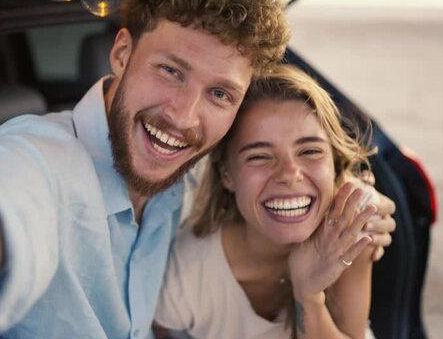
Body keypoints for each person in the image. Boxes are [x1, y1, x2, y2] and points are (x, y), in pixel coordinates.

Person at [0, 0, 291, 338]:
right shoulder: (31, 163)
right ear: (122, 54)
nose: (183, 117)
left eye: (220, 94)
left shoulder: (188, 184)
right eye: (171, 71)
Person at [154, 65, 394, 338]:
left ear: (334, 164)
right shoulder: (187, 273)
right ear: (227, 175)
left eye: (310, 151)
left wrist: (309, 295)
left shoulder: (349, 226)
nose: (290, 174)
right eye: (259, 156)